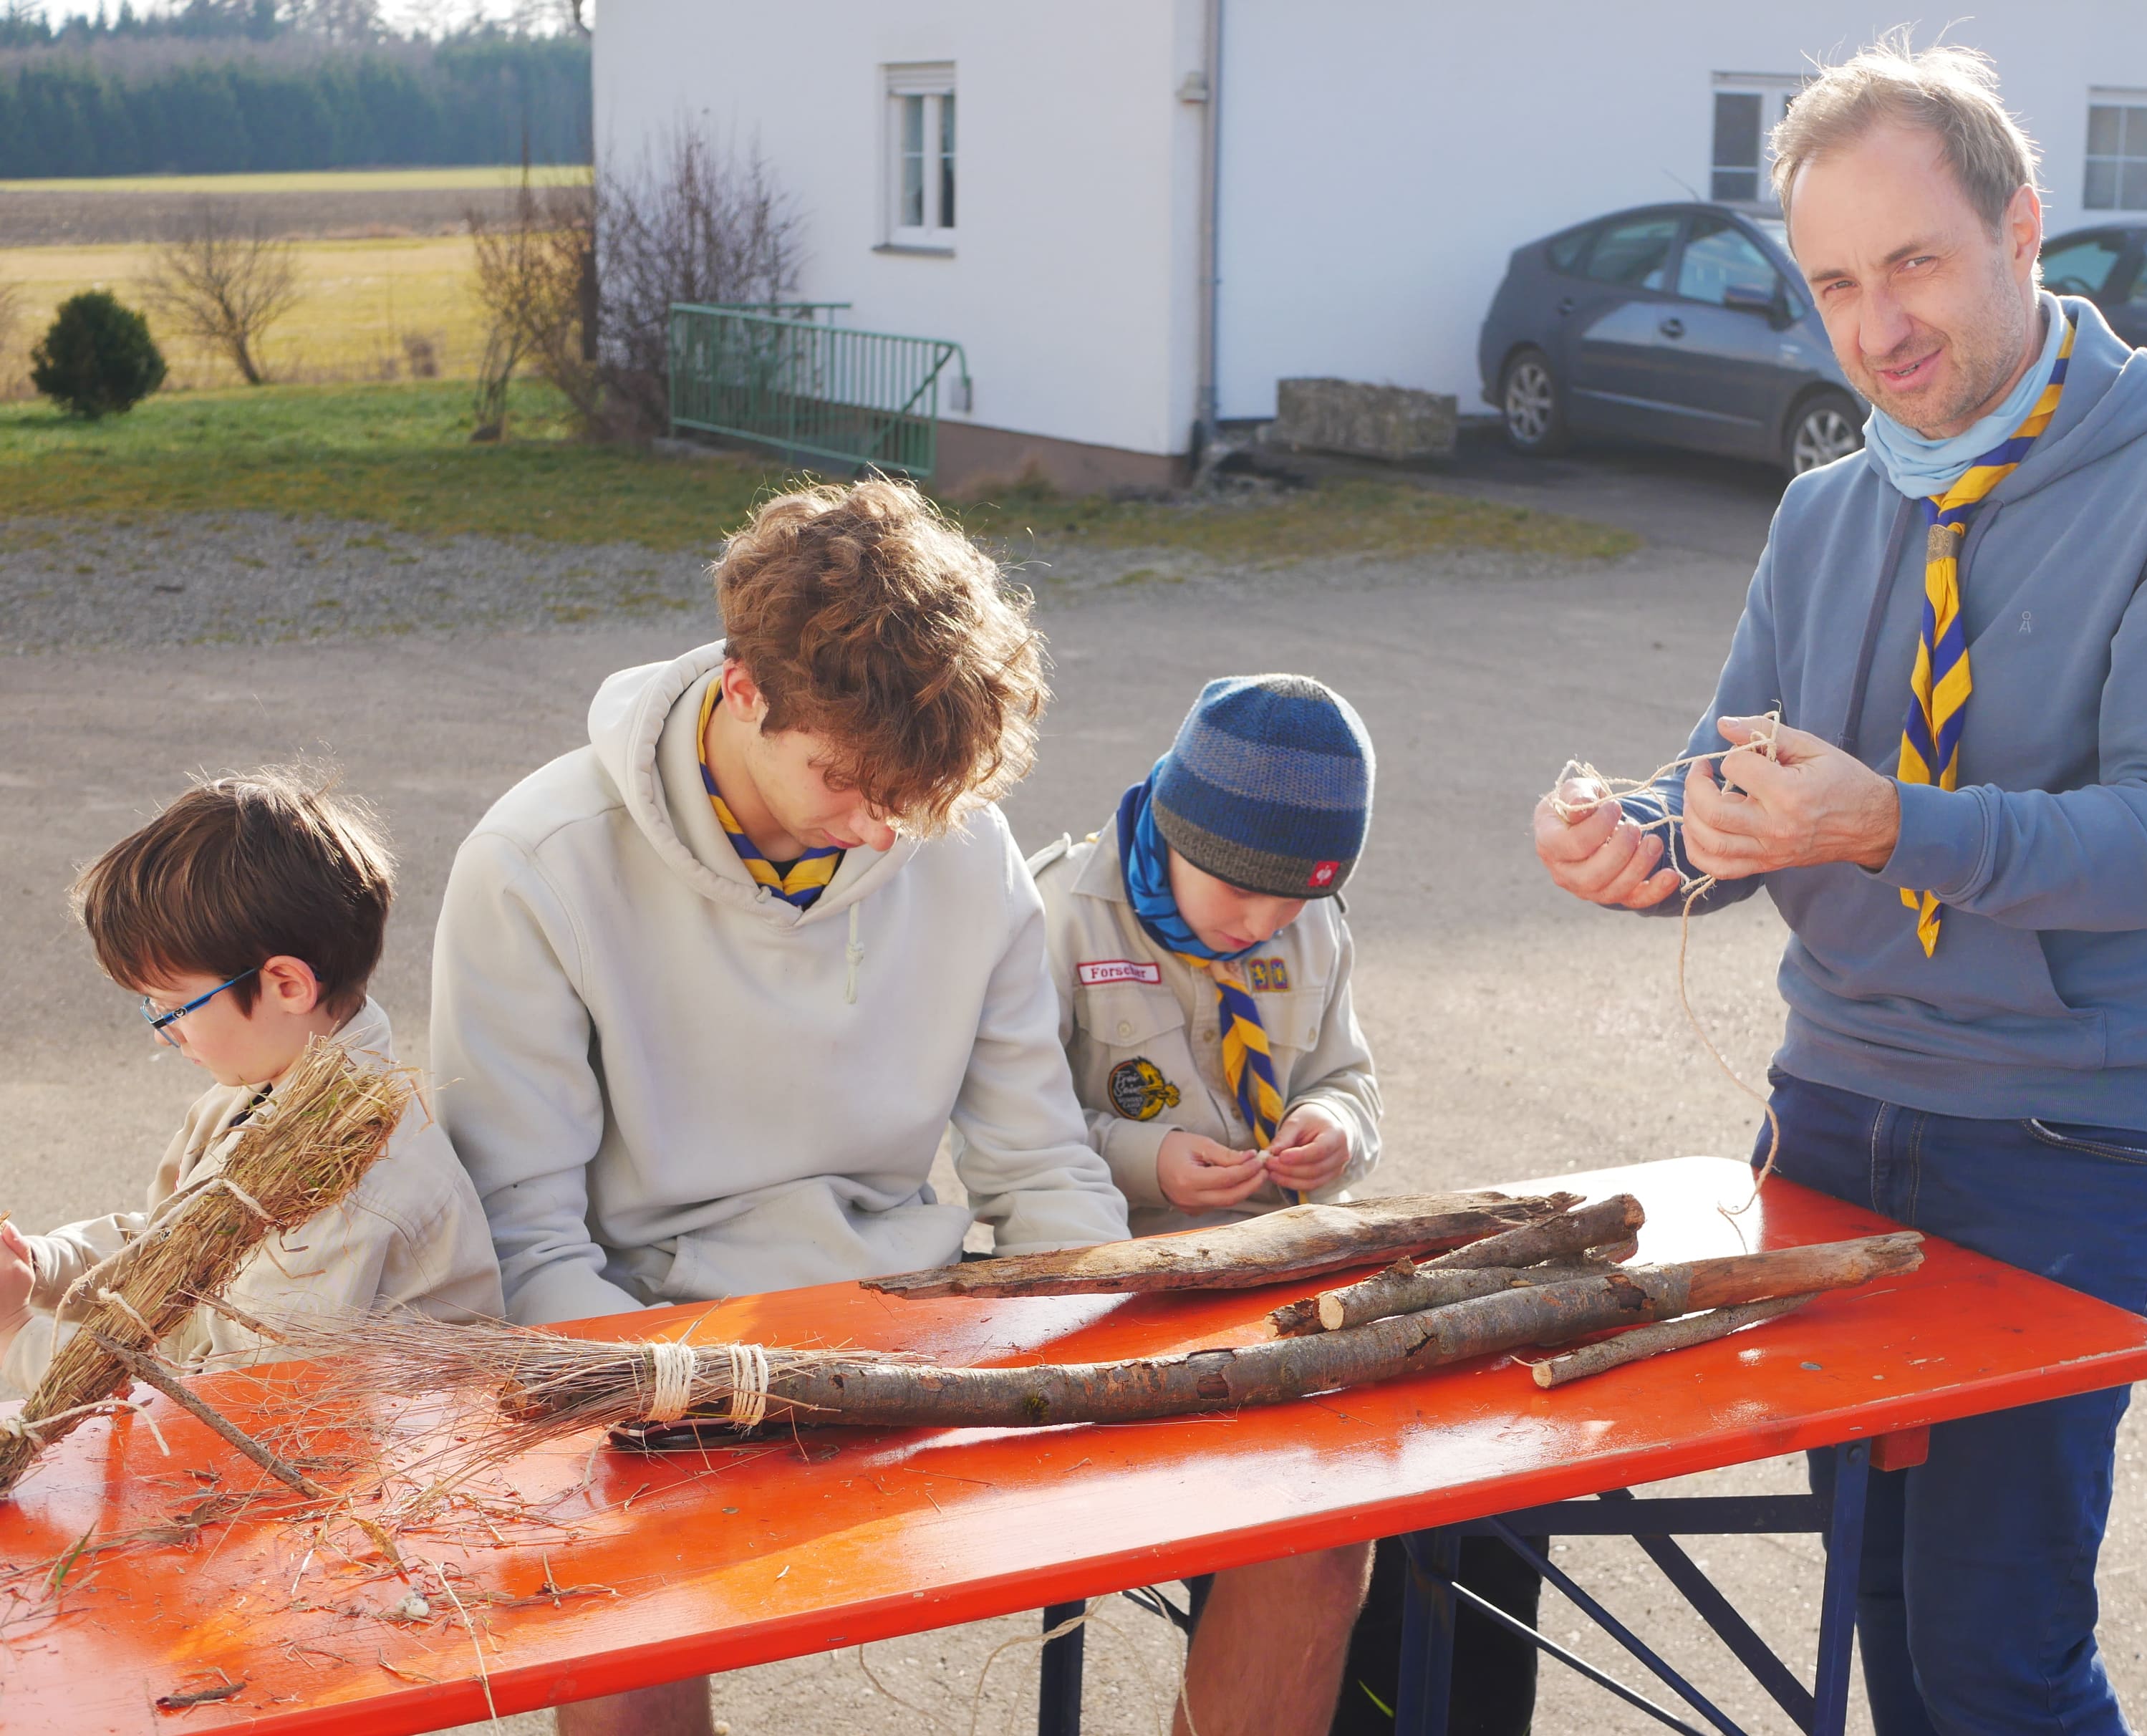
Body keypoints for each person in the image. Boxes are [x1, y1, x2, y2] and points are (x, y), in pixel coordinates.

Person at [1532, 39, 2147, 1736]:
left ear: (2020, 227)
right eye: (1831, 284)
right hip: (1826, 1122)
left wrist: (1889, 827)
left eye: (1912, 264)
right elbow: (1730, 781)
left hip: (2059, 1146)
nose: (1874, 327)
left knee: (1989, 1658)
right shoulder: (1828, 505)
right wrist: (1640, 838)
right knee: (1880, 1614)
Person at [431, 478, 1131, 1736]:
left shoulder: (950, 834)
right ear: (743, 689)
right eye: (845, 781)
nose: (882, 831)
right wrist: (675, 1393)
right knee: (626, 1625)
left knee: (1299, 1520)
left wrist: (1126, 1352)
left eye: (911, 798)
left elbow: (1039, 1162)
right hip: (650, 1349)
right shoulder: (536, 861)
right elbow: (525, 1244)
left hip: (904, 1335)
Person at [1021, 672, 1381, 1736]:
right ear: (1177, 830)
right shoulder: (1058, 913)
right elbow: (1006, 1128)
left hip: (1285, 1278)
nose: (1262, 924)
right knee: (1276, 1514)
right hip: (1120, 1290)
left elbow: (1348, 1076)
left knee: (1373, 1508)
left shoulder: (1312, 925)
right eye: (1238, 893)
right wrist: (1147, 1159)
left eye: (1293, 900)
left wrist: (1335, 1127)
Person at [0, 770, 502, 1397]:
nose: (161, 1034)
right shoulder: (267, 1082)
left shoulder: (339, 1187)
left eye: (172, 1008)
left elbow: (236, 1406)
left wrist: (15, 1332)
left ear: (286, 985)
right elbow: (165, 1249)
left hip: (364, 1450)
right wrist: (41, 1263)